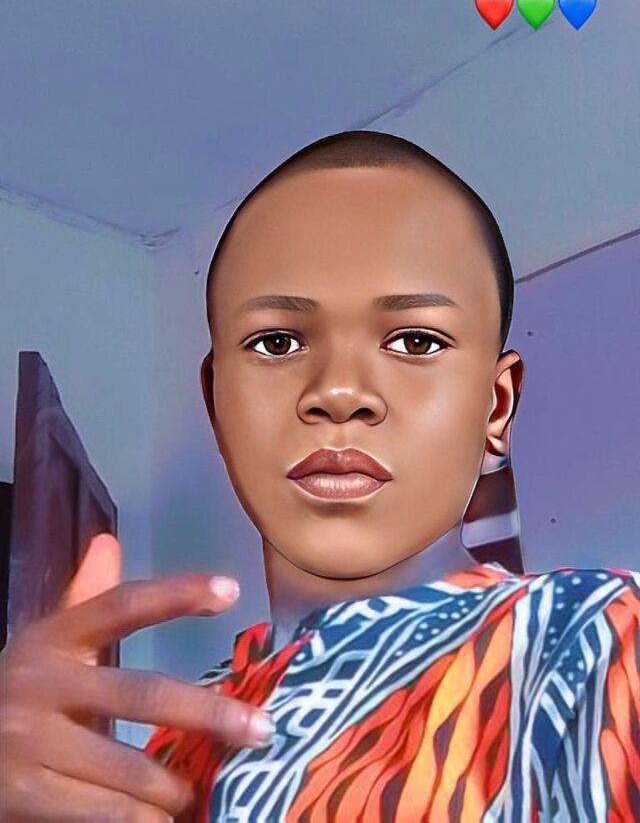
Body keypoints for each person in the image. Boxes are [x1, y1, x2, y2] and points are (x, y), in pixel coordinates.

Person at [1, 131, 638, 822]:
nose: (338, 393)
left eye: (415, 341)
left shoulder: (596, 637)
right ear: (217, 403)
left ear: (497, 405)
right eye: (277, 342)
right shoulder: (183, 733)